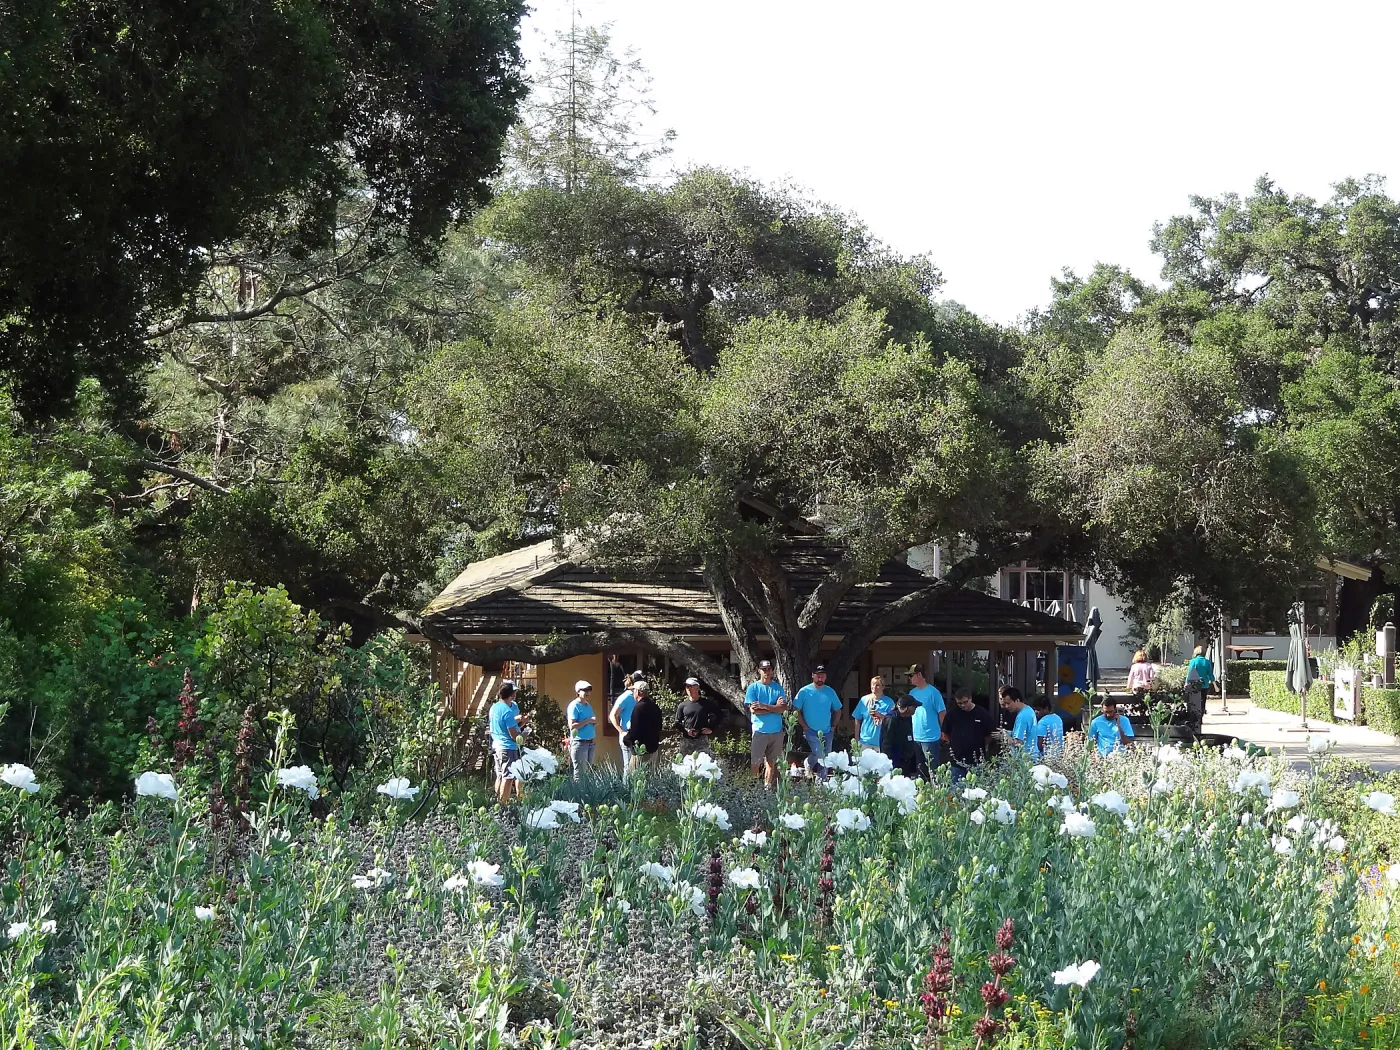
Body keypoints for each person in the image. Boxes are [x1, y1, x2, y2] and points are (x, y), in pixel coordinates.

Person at [793, 663, 843, 780]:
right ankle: (808, 763)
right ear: (813, 676)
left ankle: (821, 781)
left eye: (822, 675)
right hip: (810, 730)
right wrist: (804, 726)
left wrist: (833, 727)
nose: (820, 678)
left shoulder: (830, 692)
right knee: (819, 753)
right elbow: (796, 710)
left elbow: (838, 710)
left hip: (827, 730)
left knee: (826, 758)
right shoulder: (804, 691)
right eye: (818, 675)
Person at [745, 659, 789, 788]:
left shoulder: (778, 688)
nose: (767, 672)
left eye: (769, 669)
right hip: (760, 731)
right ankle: (754, 788)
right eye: (764, 669)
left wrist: (764, 706)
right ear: (759, 671)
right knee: (756, 763)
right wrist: (774, 707)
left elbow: (782, 709)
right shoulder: (753, 688)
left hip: (776, 731)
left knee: (772, 763)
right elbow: (754, 710)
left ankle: (767, 788)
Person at [488, 681, 530, 804]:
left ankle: (498, 802)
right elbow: (513, 736)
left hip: (497, 744)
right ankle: (503, 804)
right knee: (508, 777)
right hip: (507, 748)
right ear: (511, 694)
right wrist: (524, 736)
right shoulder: (507, 711)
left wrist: (521, 724)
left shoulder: (494, 707)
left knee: (500, 775)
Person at [942, 687, 994, 784]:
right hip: (956, 760)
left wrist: (982, 744)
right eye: (959, 703)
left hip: (976, 760)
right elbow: (945, 733)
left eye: (965, 702)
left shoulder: (982, 713)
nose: (962, 705)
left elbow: (990, 734)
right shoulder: (952, 714)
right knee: (955, 791)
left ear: (970, 699)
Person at [907, 664, 946, 778]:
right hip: (916, 736)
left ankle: (936, 793)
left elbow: (942, 712)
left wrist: (943, 731)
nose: (910, 678)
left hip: (931, 737)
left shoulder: (933, 692)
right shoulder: (912, 693)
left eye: (911, 675)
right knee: (920, 770)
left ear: (919, 675)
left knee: (933, 770)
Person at [623, 680, 664, 771]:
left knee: (636, 779)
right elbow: (659, 727)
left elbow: (635, 730)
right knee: (650, 780)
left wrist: (626, 740)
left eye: (634, 691)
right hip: (653, 750)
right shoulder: (655, 706)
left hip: (640, 752)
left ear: (638, 692)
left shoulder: (638, 708)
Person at [610, 670, 646, 772]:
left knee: (638, 768)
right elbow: (613, 715)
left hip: (639, 736)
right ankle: (627, 788)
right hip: (628, 736)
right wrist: (621, 732)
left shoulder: (642, 697)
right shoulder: (626, 697)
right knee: (629, 768)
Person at [852, 675, 895, 756]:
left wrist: (880, 715)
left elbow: (892, 721)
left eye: (877, 685)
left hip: (881, 742)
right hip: (865, 741)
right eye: (873, 684)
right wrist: (856, 738)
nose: (874, 687)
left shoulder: (889, 702)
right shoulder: (864, 700)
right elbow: (857, 718)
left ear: (883, 687)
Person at [675, 677, 716, 755]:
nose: (689, 689)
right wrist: (686, 730)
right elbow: (677, 722)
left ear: (697, 687)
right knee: (685, 764)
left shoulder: (706, 704)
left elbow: (717, 716)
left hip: (701, 739)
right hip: (686, 740)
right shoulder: (682, 705)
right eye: (687, 687)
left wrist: (711, 728)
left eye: (691, 686)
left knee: (703, 763)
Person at [566, 680, 597, 778]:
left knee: (588, 772)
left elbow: (594, 720)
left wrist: (594, 721)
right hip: (579, 743)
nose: (588, 692)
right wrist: (588, 721)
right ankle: (578, 793)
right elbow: (572, 726)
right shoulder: (574, 706)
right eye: (585, 690)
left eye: (589, 690)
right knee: (579, 773)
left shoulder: (588, 705)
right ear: (578, 692)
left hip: (590, 742)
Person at [999, 686, 1036, 755]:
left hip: (1025, 759)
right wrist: (1009, 733)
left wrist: (1005, 736)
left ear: (1017, 700)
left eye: (1009, 703)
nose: (1006, 706)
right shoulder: (1029, 710)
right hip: (1032, 754)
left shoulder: (1022, 716)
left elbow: (1018, 743)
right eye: (1005, 703)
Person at [1184, 645, 1215, 721]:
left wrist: (1186, 683)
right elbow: (1210, 674)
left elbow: (1189, 673)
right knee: (1202, 702)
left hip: (1194, 684)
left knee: (1194, 701)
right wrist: (1215, 685)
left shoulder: (1193, 661)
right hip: (1205, 685)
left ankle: (1194, 718)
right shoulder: (1207, 662)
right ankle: (1200, 717)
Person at [1032, 695, 1065, 760]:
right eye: (1035, 709)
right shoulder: (1058, 718)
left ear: (1046, 708)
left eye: (1038, 709)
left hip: (1046, 758)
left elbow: (1040, 745)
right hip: (1059, 755)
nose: (1036, 712)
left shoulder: (1042, 722)